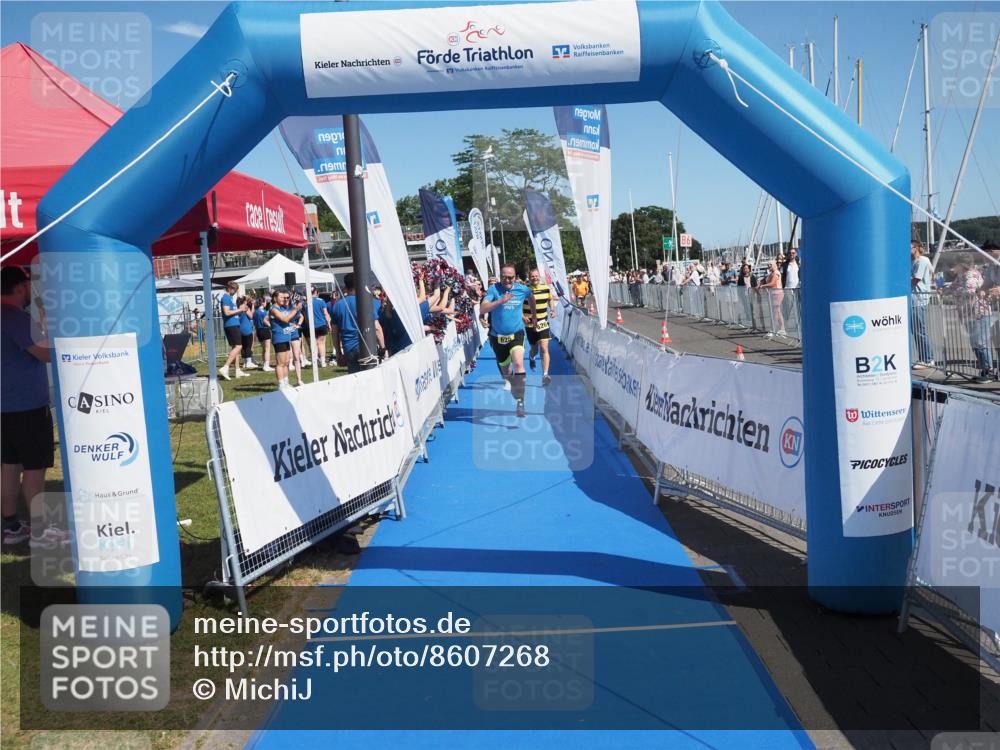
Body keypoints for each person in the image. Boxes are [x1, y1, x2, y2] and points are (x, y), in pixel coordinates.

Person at [1, 267, 67, 548]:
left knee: (8, 466)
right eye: (28, 285)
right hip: (27, 408)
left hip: (5, 407)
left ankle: (11, 526)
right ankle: (40, 532)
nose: (30, 291)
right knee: (34, 469)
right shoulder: (15, 318)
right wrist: (48, 328)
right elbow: (45, 354)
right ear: (19, 288)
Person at [481, 264, 533, 417]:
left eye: (511, 277)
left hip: (516, 333)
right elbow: (483, 309)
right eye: (504, 277)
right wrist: (500, 301)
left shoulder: (522, 289)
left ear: (515, 277)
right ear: (500, 276)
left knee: (518, 364)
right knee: (507, 372)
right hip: (498, 337)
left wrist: (534, 316)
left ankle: (521, 402)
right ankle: (515, 389)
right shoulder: (493, 290)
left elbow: (531, 298)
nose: (508, 280)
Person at [329, 273, 385, 374]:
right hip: (367, 346)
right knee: (371, 378)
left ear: (346, 286)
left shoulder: (337, 305)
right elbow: (377, 328)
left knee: (355, 381)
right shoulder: (367, 302)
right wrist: (382, 347)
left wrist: (338, 353)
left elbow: (334, 332)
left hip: (348, 348)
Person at [951, 258, 994, 383]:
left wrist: (954, 292)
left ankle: (989, 371)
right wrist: (946, 289)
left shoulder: (971, 275)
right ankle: (984, 370)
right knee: (975, 344)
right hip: (968, 315)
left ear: (961, 265)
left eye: (955, 264)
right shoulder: (961, 276)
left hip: (979, 314)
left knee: (980, 343)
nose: (953, 267)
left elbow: (969, 292)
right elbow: (954, 287)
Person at [523, 268, 557, 387]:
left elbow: (550, 299)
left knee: (544, 349)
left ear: (539, 277)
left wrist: (552, 309)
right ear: (529, 277)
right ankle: (531, 357)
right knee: (535, 349)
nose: (535, 278)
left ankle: (545, 374)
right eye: (532, 276)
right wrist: (523, 316)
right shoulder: (525, 290)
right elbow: (517, 305)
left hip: (543, 322)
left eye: (536, 276)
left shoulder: (546, 288)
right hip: (530, 324)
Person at [268, 289, 303, 390]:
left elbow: (293, 316)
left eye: (285, 297)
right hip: (279, 338)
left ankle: (286, 382)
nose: (284, 299)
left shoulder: (282, 308)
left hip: (286, 337)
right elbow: (285, 319)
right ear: (275, 298)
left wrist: (298, 307)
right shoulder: (274, 309)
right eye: (282, 297)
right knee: (281, 363)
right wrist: (295, 309)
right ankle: (281, 384)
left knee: (286, 362)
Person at [910, 241, 936, 369]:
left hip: (919, 299)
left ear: (916, 248)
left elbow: (916, 279)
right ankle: (923, 358)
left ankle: (928, 359)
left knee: (920, 330)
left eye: (909, 247)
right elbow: (933, 274)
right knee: (916, 330)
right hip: (914, 299)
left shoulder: (922, 261)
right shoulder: (912, 261)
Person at [219, 281, 248, 380]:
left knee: (235, 348)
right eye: (235, 290)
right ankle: (225, 367)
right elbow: (227, 313)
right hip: (231, 325)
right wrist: (240, 310)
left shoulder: (230, 298)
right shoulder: (226, 298)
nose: (235, 292)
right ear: (230, 288)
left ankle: (237, 370)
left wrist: (241, 310)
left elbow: (233, 312)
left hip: (234, 324)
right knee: (239, 346)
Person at [759, 259, 785, 336]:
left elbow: (772, 284)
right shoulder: (772, 273)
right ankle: (782, 328)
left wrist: (762, 286)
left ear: (773, 265)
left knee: (776, 312)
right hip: (774, 293)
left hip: (777, 293)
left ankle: (773, 329)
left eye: (770, 265)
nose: (768, 266)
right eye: (768, 265)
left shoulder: (776, 273)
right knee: (778, 311)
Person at [310, 287, 332, 367]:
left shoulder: (307, 301)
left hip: (312, 326)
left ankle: (315, 360)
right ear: (316, 292)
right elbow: (326, 313)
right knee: (321, 343)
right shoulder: (321, 301)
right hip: (321, 324)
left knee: (314, 344)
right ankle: (323, 362)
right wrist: (329, 324)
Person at [252, 296, 273, 372]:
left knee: (264, 349)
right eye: (265, 302)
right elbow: (266, 321)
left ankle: (265, 364)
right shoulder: (264, 312)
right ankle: (266, 365)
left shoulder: (255, 312)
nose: (266, 303)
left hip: (258, 331)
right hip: (265, 330)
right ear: (262, 303)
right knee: (267, 349)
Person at [238, 295, 258, 371]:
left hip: (240, 328)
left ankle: (245, 362)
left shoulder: (238, 307)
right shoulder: (245, 307)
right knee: (248, 345)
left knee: (243, 346)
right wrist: (252, 306)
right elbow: (251, 316)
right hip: (247, 329)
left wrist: (252, 306)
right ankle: (249, 362)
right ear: (244, 301)